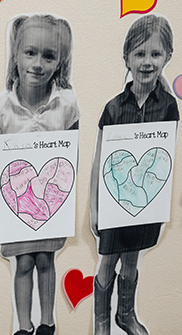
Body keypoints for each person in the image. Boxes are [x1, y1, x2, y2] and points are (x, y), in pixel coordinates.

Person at [0, 14, 80, 335]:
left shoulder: (67, 104)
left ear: (60, 62)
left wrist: (64, 199)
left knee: (45, 260)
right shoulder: (0, 108)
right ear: (16, 54)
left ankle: (47, 322)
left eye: (48, 56)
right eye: (30, 53)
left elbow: (72, 155)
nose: (38, 63)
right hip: (15, 204)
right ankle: (23, 326)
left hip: (52, 202)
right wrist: (4, 208)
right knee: (24, 263)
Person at [90, 14, 179, 335]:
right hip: (114, 201)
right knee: (107, 260)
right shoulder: (114, 107)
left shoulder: (169, 106)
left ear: (168, 56)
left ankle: (124, 315)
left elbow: (163, 160)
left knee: (131, 259)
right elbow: (99, 160)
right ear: (126, 57)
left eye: (155, 54)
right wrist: (95, 209)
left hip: (145, 201)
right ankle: (101, 321)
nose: (147, 62)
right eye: (139, 54)